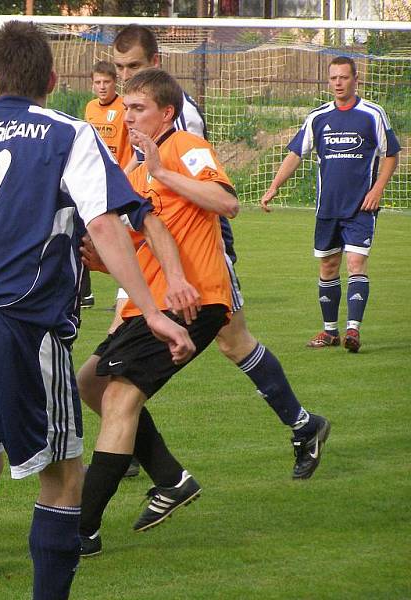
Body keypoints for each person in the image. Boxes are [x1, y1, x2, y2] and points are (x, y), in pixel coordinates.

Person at [0, 22, 194, 600]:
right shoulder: (69, 134)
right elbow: (107, 224)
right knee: (63, 477)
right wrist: (153, 311)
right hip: (20, 323)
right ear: (54, 80)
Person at [84, 25, 330, 501]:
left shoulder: (180, 120)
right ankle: (142, 450)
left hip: (193, 246)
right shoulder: (123, 110)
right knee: (116, 364)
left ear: (155, 59)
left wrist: (170, 261)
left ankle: (145, 455)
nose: (124, 76)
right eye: (118, 68)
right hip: (150, 244)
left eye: (134, 66)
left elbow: (203, 194)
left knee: (224, 341)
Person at [77, 68, 242, 557]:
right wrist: (99, 261)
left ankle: (80, 531)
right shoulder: (132, 170)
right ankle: (171, 478)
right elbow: (138, 245)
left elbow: (227, 203)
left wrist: (164, 172)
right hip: (151, 305)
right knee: (89, 384)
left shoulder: (184, 146)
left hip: (194, 299)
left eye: (139, 108)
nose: (128, 117)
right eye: (125, 109)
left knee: (121, 402)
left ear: (166, 113)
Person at [260, 55, 400, 353]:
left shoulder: (372, 114)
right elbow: (296, 154)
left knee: (355, 263)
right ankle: (330, 332)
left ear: (355, 79)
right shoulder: (318, 117)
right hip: (328, 207)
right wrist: (273, 186)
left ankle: (353, 330)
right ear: (329, 81)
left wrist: (377, 190)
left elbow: (391, 155)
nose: (338, 83)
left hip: (361, 207)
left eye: (343, 77)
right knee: (328, 265)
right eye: (333, 78)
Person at [80, 60, 136, 308]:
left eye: (107, 82)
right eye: (98, 82)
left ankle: (128, 292)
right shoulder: (91, 108)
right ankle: (84, 292)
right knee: (86, 232)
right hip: (95, 181)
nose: (102, 87)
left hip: (121, 182)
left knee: (124, 237)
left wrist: (125, 174)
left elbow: (135, 146)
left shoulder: (125, 108)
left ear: (116, 83)